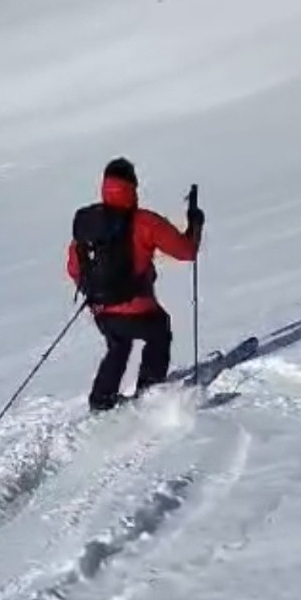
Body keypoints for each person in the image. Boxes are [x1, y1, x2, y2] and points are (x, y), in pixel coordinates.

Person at [66, 157, 203, 412]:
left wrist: (98, 293)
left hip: (101, 309)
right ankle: (149, 392)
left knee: (118, 343)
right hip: (138, 308)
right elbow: (187, 252)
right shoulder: (144, 222)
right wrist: (195, 225)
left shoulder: (88, 223)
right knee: (159, 331)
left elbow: (74, 268)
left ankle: (101, 400)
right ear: (132, 186)